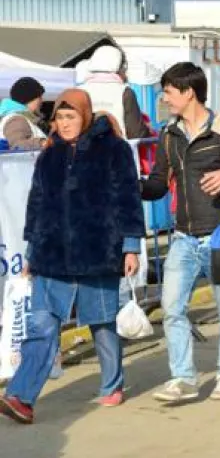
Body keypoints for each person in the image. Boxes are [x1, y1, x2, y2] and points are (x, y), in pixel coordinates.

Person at [0, 90, 143, 424]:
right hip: (52, 255)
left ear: (85, 115)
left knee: (103, 323)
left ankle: (112, 384)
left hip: (98, 250)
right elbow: (36, 204)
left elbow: (128, 199)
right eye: (59, 118)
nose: (64, 124)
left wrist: (131, 245)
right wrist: (33, 251)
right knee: (40, 327)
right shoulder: (49, 154)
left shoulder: (114, 150)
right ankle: (20, 397)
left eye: (71, 117)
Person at [140, 62, 220, 403]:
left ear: (188, 91)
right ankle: (183, 379)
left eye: (168, 92)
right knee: (172, 308)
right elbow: (159, 185)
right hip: (183, 237)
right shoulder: (168, 135)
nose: (164, 99)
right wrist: (130, 186)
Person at [78, 45, 151, 140]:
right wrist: (147, 129)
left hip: (84, 151)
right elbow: (135, 132)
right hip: (117, 151)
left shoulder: (78, 91)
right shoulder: (125, 92)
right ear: (119, 68)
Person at [0, 77, 46, 150]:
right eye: (39, 97)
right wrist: (42, 143)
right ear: (30, 98)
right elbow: (17, 145)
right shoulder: (16, 119)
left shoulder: (21, 118)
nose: (41, 101)